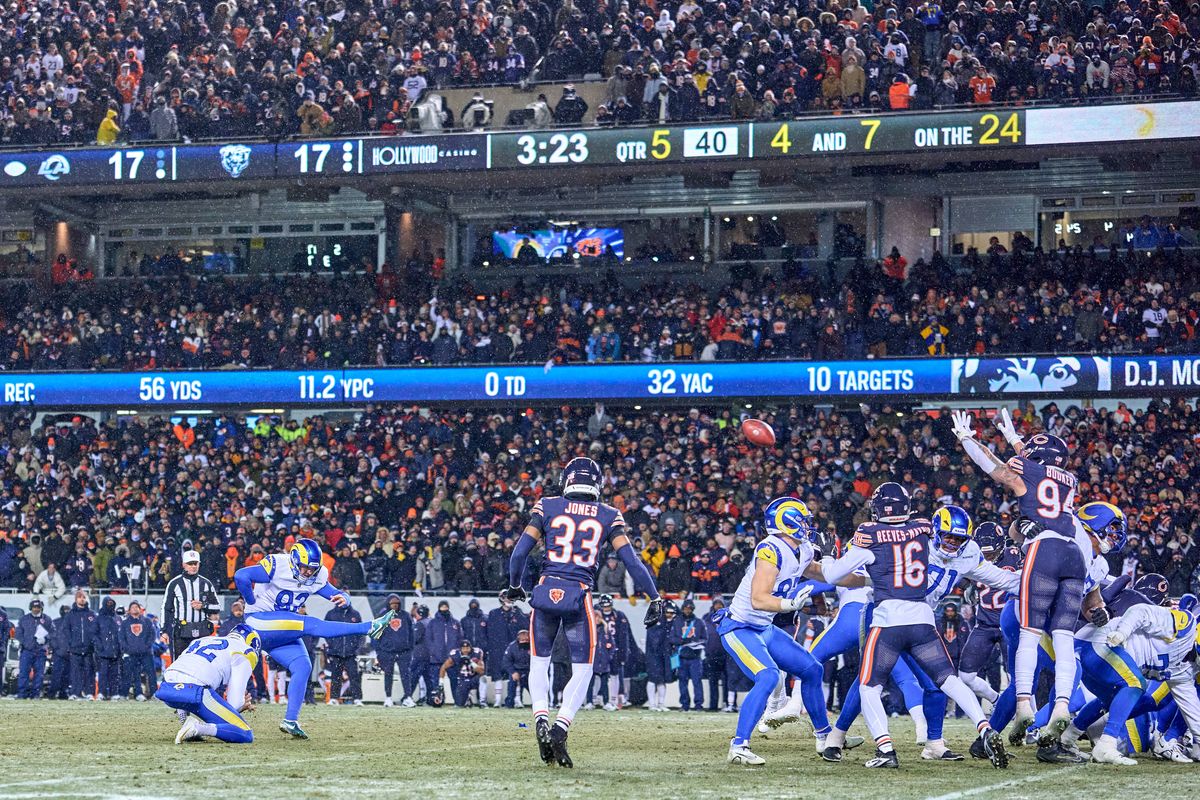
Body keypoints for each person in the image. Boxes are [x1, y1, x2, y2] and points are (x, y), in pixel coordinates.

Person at [820, 484, 1009, 769]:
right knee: (873, 680)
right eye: (946, 537)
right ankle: (837, 736)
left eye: (959, 540)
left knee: (906, 684)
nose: (952, 544)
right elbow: (861, 576)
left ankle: (930, 744)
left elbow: (994, 574)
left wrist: (825, 557)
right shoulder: (920, 532)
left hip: (902, 618)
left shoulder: (885, 534)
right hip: (906, 616)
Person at [503, 456, 663, 768]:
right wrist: (654, 597)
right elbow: (632, 562)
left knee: (539, 663)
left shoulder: (547, 505)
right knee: (583, 669)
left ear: (566, 480)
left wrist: (515, 586)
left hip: (547, 589)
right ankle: (561, 728)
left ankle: (540, 717)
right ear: (597, 483)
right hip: (579, 595)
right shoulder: (608, 514)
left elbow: (519, 552)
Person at [952, 408, 1096, 745]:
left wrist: (968, 440)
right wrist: (1015, 439)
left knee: (1030, 634)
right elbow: (1041, 467)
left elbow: (993, 466)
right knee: (1063, 635)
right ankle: (1061, 707)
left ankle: (1023, 707)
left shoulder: (1027, 470)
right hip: (1073, 556)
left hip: (1042, 550)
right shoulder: (1070, 480)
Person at [719, 498, 858, 765]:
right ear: (786, 521)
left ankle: (825, 737)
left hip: (764, 627)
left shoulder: (802, 548)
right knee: (769, 677)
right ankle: (738, 746)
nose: (807, 524)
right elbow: (759, 599)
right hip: (740, 626)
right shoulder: (770, 549)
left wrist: (870, 580)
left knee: (812, 669)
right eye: (802, 519)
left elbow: (821, 573)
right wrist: (789, 604)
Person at [235, 537, 395, 738]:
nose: (308, 573)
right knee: (309, 624)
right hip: (259, 621)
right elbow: (241, 576)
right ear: (293, 560)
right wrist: (250, 601)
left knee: (303, 666)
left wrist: (344, 598)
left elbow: (335, 593)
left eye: (312, 569)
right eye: (304, 568)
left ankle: (291, 720)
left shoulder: (317, 575)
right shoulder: (278, 564)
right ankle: (369, 627)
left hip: (282, 628)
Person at [157, 625, 262, 744]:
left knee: (201, 690)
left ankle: (183, 712)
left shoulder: (202, 640)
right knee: (244, 733)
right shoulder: (245, 651)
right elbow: (235, 703)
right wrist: (239, 707)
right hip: (194, 689)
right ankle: (197, 728)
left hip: (167, 687)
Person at [957, 522, 1020, 706]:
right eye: (985, 555)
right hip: (985, 625)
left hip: (1011, 624)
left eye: (992, 554)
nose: (989, 558)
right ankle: (996, 700)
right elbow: (958, 575)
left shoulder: (1015, 556)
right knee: (966, 676)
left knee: (1018, 678)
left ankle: (1031, 719)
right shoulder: (972, 557)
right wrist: (967, 586)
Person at [161, 549, 220, 658]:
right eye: (190, 564)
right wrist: (164, 630)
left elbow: (217, 607)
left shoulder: (206, 583)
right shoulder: (174, 583)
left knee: (202, 663)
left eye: (195, 563)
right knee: (180, 662)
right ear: (184, 565)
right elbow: (167, 608)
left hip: (202, 631)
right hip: (181, 632)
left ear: (199, 564)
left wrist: (203, 606)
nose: (193, 566)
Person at [486, 595, 527, 707]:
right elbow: (489, 632)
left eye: (510, 598)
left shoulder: (518, 613)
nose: (508, 600)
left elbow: (524, 627)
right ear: (501, 599)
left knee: (516, 673)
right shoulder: (494, 613)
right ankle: (498, 700)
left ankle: (518, 699)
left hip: (515, 648)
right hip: (497, 648)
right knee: (498, 675)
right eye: (505, 598)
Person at [376, 593, 416, 707]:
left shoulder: (405, 615)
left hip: (404, 652)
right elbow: (376, 634)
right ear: (388, 604)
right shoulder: (382, 616)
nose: (394, 605)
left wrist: (410, 649)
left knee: (406, 675)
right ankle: (388, 698)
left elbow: (411, 633)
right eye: (392, 603)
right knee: (388, 674)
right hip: (387, 651)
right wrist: (379, 651)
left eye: (397, 603)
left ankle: (408, 697)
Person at [323, 601, 365, 705]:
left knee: (354, 676)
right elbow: (325, 631)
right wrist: (332, 645)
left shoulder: (355, 614)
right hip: (336, 652)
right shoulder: (331, 614)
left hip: (351, 652)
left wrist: (356, 648)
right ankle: (334, 698)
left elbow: (361, 633)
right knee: (336, 675)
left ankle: (357, 698)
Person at [670, 598, 706, 711]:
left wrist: (696, 642)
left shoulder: (699, 622)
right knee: (682, 682)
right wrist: (683, 641)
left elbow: (705, 639)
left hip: (695, 657)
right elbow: (671, 639)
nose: (687, 610)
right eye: (685, 608)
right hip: (682, 657)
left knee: (697, 682)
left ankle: (698, 705)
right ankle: (685, 704)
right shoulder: (677, 622)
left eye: (689, 608)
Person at [119, 601, 157, 700]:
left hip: (146, 653)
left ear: (140, 609)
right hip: (132, 654)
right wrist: (128, 649)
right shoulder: (125, 623)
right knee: (134, 674)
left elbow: (152, 636)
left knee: (151, 673)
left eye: (137, 607)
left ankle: (154, 693)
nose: (135, 608)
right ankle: (138, 693)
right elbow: (121, 638)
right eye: (133, 607)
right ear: (129, 610)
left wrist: (146, 647)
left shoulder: (147, 621)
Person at [65, 589, 97, 701]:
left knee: (89, 672)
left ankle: (89, 693)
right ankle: (75, 692)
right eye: (80, 597)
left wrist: (93, 643)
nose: (82, 599)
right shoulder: (70, 615)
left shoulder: (92, 614)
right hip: (75, 649)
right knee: (75, 673)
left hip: (89, 649)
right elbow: (66, 631)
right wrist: (71, 644)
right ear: (76, 599)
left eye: (84, 597)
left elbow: (95, 631)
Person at [16, 599, 52, 699]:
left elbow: (53, 632)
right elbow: (18, 633)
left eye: (38, 607)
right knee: (24, 672)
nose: (36, 609)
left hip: (40, 651)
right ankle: (22, 694)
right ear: (30, 608)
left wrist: (45, 639)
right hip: (27, 651)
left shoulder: (47, 619)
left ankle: (35, 694)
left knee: (39, 674)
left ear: (41, 608)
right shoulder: (24, 619)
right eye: (34, 607)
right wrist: (26, 644)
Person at [645, 601, 677, 710]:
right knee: (653, 678)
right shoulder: (657, 622)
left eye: (672, 613)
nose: (670, 615)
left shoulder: (671, 623)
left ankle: (661, 703)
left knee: (662, 679)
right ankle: (652, 704)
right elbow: (655, 641)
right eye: (668, 613)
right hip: (654, 655)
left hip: (665, 655)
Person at [440, 638, 486, 706]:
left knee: (483, 678)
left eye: (467, 648)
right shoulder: (455, 654)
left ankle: (482, 702)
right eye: (463, 648)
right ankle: (467, 699)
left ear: (471, 647)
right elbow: (443, 667)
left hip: (474, 678)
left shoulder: (477, 653)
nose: (465, 650)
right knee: (459, 704)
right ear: (460, 649)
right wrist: (441, 683)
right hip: (462, 680)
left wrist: (471, 662)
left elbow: (482, 671)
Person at [94, 597, 122, 700]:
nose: (110, 605)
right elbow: (95, 634)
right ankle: (102, 692)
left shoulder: (118, 618)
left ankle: (114, 693)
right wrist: (100, 646)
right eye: (108, 603)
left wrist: (120, 647)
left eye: (112, 603)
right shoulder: (99, 618)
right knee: (103, 674)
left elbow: (121, 634)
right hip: (103, 652)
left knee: (115, 674)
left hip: (115, 651)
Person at [502, 629, 533, 707]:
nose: (524, 641)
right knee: (512, 685)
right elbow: (506, 661)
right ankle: (510, 703)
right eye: (522, 639)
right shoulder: (512, 646)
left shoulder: (533, 646)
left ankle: (538, 704)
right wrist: (512, 672)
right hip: (516, 670)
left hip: (530, 670)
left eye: (526, 639)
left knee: (534, 688)